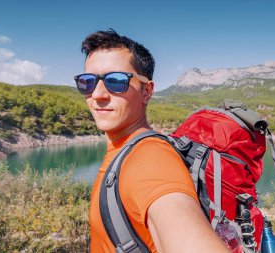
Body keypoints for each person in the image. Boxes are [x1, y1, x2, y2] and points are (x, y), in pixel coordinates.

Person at [75, 29, 229, 253]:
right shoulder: (123, 151)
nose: (97, 94)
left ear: (146, 91)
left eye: (116, 81)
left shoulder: (150, 159)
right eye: (87, 82)